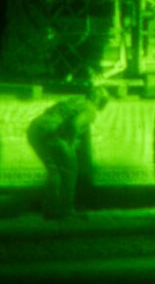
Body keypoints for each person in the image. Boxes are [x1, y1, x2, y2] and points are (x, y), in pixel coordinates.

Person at [28, 85, 109, 220]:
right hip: (52, 131)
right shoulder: (90, 109)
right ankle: (66, 212)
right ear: (97, 98)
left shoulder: (77, 100)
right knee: (69, 170)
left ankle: (51, 212)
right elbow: (74, 123)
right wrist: (70, 144)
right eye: (104, 100)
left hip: (35, 128)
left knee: (54, 171)